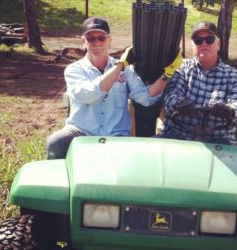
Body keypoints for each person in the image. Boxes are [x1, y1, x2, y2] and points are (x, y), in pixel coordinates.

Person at [47, 17, 182, 159]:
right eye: (91, 38)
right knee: (56, 142)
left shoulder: (125, 69)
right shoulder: (74, 70)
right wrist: (120, 67)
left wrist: (167, 74)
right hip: (81, 131)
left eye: (101, 38)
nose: (97, 42)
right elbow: (90, 95)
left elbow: (145, 98)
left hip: (116, 135)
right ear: (83, 42)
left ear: (109, 40)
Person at [161, 21, 237, 145]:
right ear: (193, 45)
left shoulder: (233, 76)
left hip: (218, 141)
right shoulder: (181, 68)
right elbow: (170, 94)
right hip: (179, 136)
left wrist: (229, 111)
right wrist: (177, 103)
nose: (204, 44)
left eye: (209, 39)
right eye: (198, 40)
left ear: (218, 44)